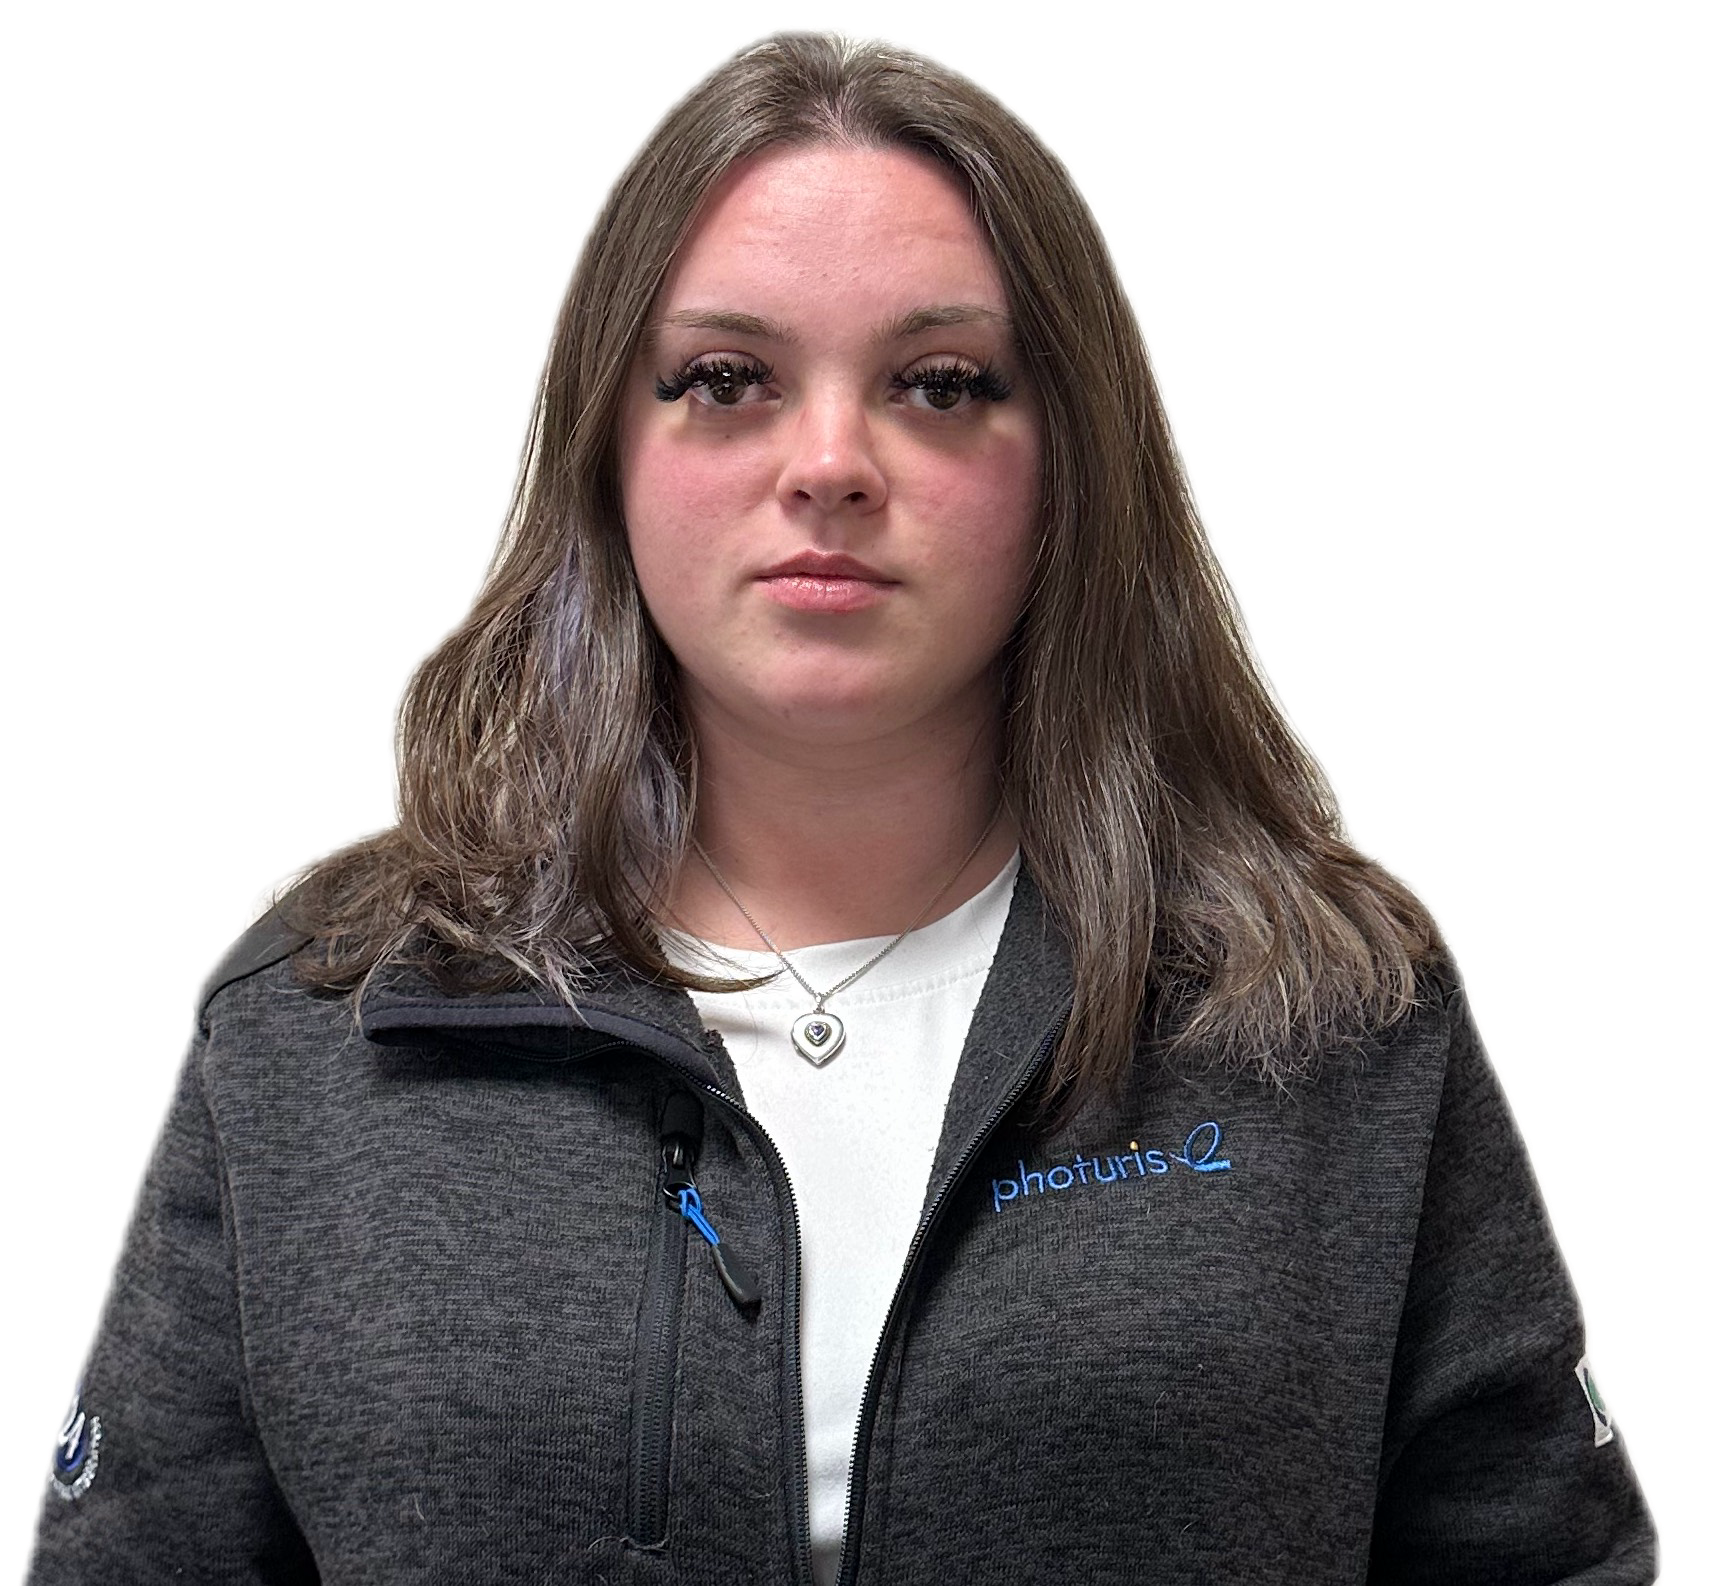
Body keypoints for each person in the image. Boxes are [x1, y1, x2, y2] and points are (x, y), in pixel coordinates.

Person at [18, 22, 1665, 1584]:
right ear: (604, 449)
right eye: (725, 377)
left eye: (938, 383)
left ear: (1069, 461)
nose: (828, 462)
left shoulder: (1330, 1008)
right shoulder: (323, 1014)